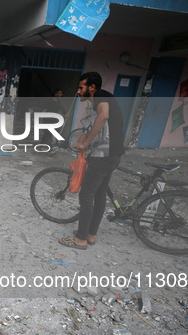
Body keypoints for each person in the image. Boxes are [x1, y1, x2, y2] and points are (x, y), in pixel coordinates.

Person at [59, 72, 125, 250]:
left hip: (103, 157)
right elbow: (102, 126)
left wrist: (86, 142)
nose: (79, 92)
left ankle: (80, 239)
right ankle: (90, 234)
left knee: (86, 195)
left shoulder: (100, 96)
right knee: (99, 194)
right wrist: (85, 137)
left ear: (92, 87)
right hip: (113, 155)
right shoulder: (107, 98)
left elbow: (103, 117)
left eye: (81, 87)